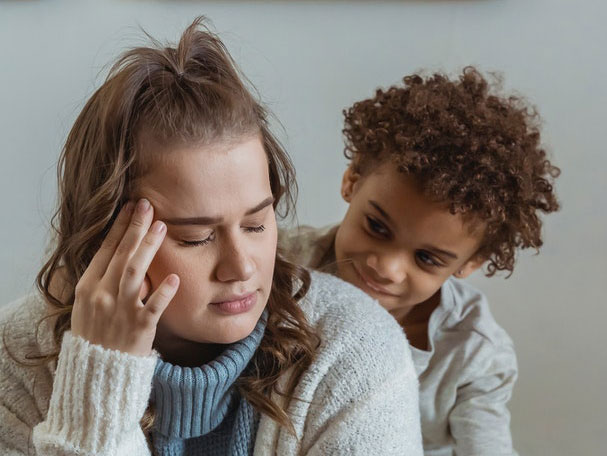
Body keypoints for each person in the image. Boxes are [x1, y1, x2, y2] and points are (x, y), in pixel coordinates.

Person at [0, 17, 423, 455]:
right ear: (102, 237)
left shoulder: (355, 351)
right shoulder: (15, 357)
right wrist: (100, 381)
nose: (242, 266)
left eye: (257, 224)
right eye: (196, 237)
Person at [281, 68, 561, 456]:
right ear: (353, 180)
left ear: (471, 262)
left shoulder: (474, 352)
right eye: (377, 227)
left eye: (427, 258)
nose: (387, 268)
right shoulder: (283, 263)